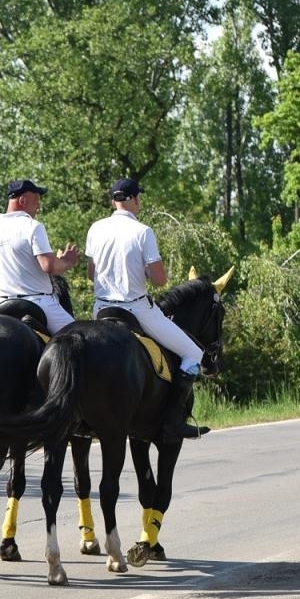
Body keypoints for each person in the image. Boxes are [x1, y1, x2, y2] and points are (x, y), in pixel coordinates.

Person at [84, 177, 203, 441]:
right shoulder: (143, 232)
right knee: (193, 352)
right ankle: (174, 418)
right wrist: (151, 271)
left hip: (101, 310)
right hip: (136, 309)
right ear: (134, 199)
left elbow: (91, 273)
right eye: (139, 198)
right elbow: (160, 280)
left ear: (113, 201)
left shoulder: (95, 228)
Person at [0, 179, 80, 334]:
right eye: (36, 202)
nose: (38, 208)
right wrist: (67, 261)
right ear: (22, 200)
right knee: (82, 339)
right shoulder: (32, 226)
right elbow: (49, 266)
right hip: (37, 303)